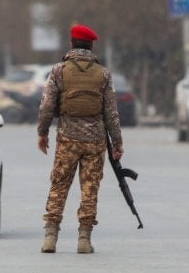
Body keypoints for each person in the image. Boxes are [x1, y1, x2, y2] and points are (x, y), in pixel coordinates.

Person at [35, 23, 124, 254]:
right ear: (91, 45)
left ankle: (50, 238)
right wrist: (117, 143)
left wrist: (42, 133)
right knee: (90, 188)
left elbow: (46, 106)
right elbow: (111, 113)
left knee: (59, 185)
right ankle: (84, 240)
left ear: (72, 44)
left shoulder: (58, 71)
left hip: (67, 138)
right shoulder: (103, 74)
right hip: (95, 141)